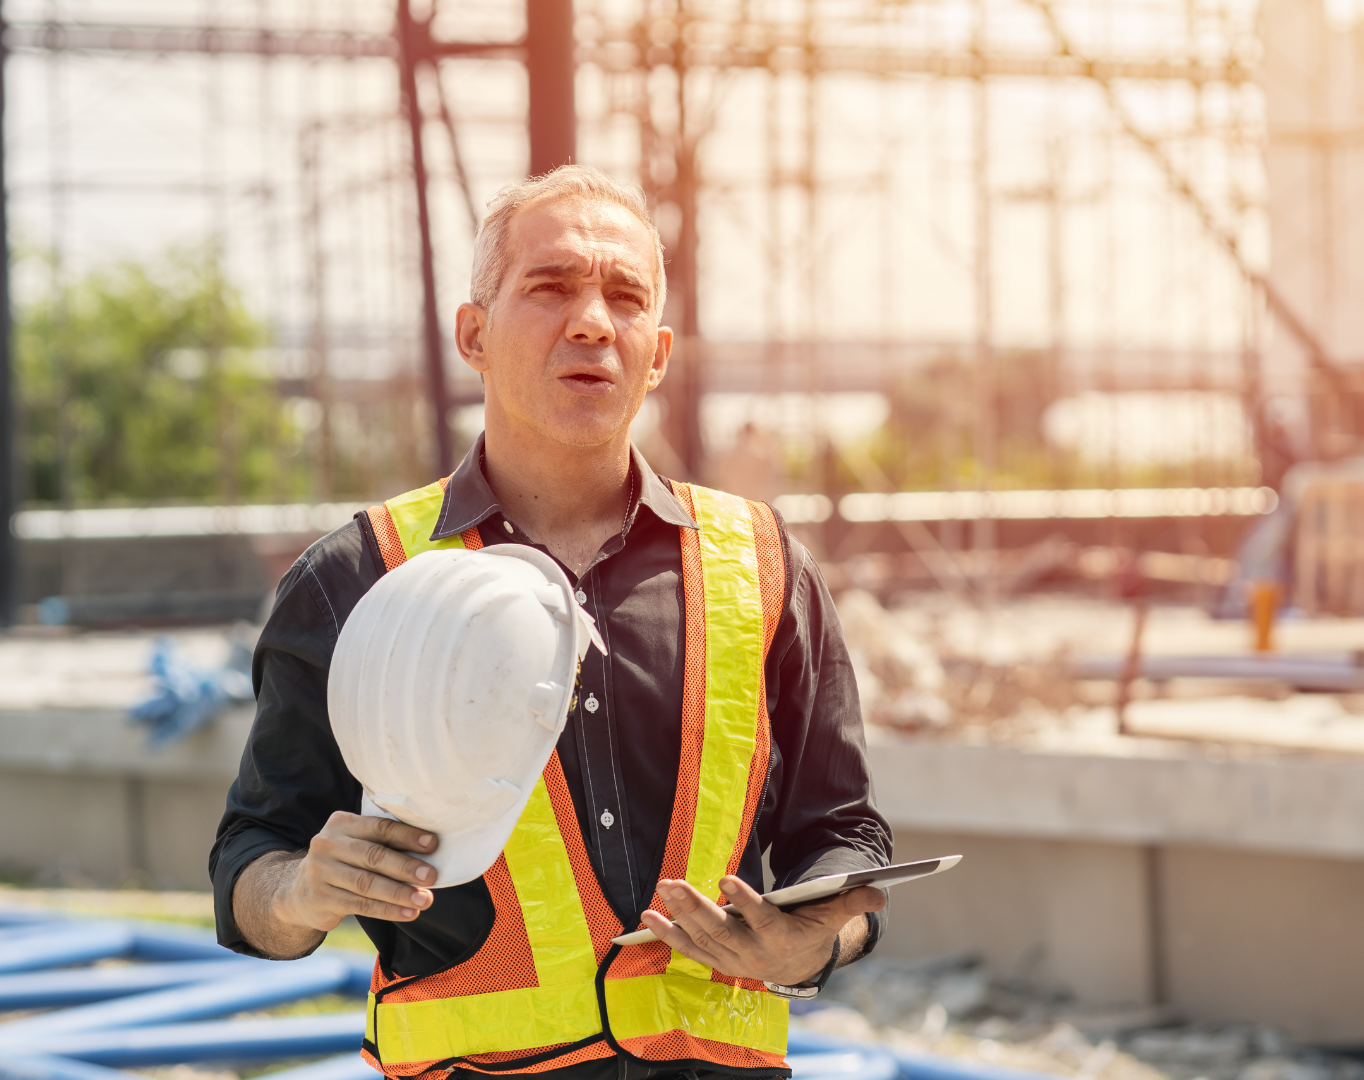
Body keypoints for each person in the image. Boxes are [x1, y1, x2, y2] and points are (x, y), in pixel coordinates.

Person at [211, 164, 891, 1080]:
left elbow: (844, 838)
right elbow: (249, 862)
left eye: (625, 296)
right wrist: (301, 891)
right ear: (474, 334)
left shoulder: (767, 570)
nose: (592, 321)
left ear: (657, 353)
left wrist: (812, 947)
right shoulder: (361, 578)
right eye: (551, 287)